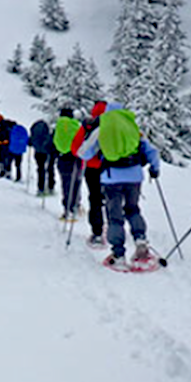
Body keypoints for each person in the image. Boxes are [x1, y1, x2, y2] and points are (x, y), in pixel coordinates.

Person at [79, 103, 160, 266]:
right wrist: (154, 168)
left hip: (111, 178)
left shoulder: (103, 128)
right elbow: (152, 151)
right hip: (135, 176)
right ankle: (141, 241)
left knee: (114, 216)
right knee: (133, 209)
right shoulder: (132, 128)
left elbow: (84, 153)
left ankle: (118, 254)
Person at [71, 101, 108, 247]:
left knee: (95, 199)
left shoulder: (88, 125)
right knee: (113, 198)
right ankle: (115, 229)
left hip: (91, 168)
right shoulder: (113, 125)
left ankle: (97, 232)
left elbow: (75, 148)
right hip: (111, 168)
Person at [53, 107, 82, 220]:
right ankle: (75, 206)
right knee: (76, 183)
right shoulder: (76, 125)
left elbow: (54, 142)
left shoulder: (58, 126)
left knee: (65, 183)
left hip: (63, 158)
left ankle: (67, 208)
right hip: (75, 158)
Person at [29, 119, 56, 196]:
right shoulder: (47, 130)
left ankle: (40, 188)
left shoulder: (35, 129)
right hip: (47, 151)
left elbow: (31, 140)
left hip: (38, 151)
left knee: (40, 169)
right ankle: (51, 187)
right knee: (50, 168)